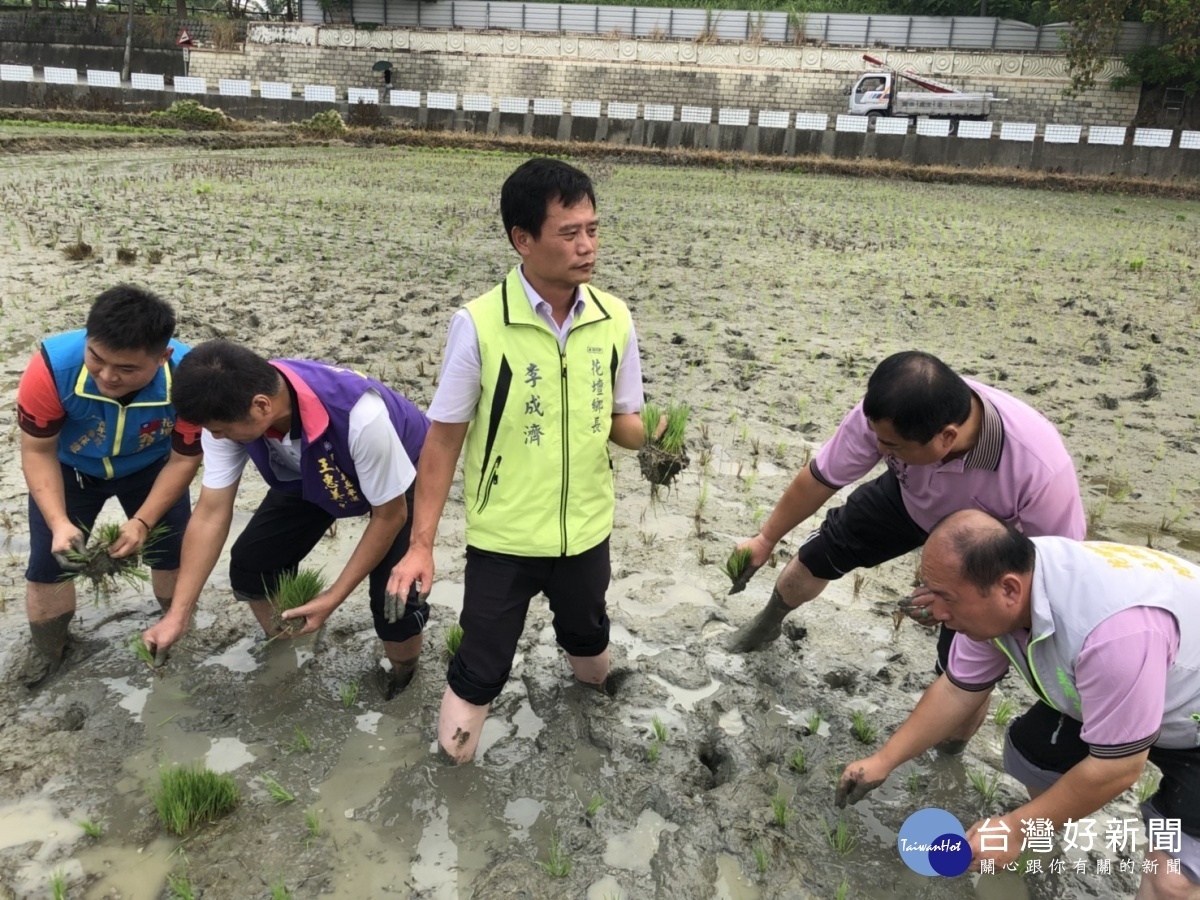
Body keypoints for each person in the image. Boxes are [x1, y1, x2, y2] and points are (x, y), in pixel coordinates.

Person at [387, 157, 650, 764]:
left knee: (589, 639)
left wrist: (657, 440)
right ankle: (452, 775)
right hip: (503, 538)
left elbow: (623, 422)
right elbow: (443, 441)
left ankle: (595, 715)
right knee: (480, 665)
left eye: (592, 229)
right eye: (569, 233)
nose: (587, 246)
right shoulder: (478, 324)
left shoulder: (614, 319)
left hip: (586, 530)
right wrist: (421, 544)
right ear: (523, 240)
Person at [728, 350, 1085, 749]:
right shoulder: (890, 416)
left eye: (891, 446)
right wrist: (765, 539)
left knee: (962, 672)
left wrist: (954, 602)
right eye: (878, 439)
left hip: (988, 552)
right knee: (819, 554)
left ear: (946, 437)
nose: (879, 448)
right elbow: (820, 478)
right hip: (911, 499)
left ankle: (949, 750)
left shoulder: (1038, 468)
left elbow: (1055, 576)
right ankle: (767, 623)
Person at [837, 510, 1200, 899]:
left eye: (946, 599)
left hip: (1188, 721)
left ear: (1009, 590)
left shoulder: (1113, 636)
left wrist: (1014, 828)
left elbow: (1121, 767)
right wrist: (884, 760)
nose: (936, 613)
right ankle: (1048, 836)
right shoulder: (1003, 579)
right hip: (1138, 687)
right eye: (933, 592)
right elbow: (958, 690)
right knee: (1034, 754)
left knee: (1171, 882)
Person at [140, 341, 431, 697]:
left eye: (220, 430)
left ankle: (403, 677)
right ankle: (288, 649)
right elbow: (211, 511)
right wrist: (178, 615)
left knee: (394, 600)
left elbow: (389, 516)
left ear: (261, 406)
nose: (215, 438)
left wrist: (334, 596)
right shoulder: (227, 409)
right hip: (309, 469)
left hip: (402, 473)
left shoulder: (359, 414)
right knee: (252, 564)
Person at [17, 284, 201, 687]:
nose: (107, 375)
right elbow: (37, 451)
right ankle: (50, 654)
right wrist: (59, 521)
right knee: (50, 565)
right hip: (71, 469)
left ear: (163, 357)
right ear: (87, 339)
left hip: (153, 467)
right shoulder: (51, 368)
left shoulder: (188, 378)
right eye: (97, 359)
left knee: (173, 553)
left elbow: (185, 457)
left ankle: (174, 636)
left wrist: (142, 522)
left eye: (127, 369)